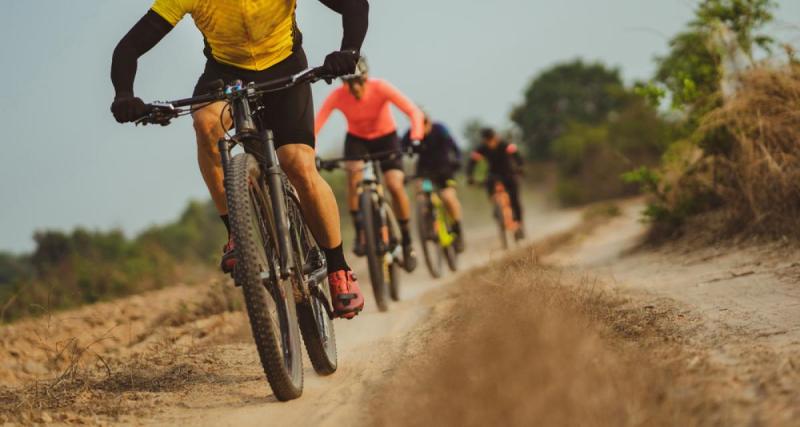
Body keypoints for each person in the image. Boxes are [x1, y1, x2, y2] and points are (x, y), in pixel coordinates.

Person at [109, 0, 369, 319]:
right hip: (225, 73)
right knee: (206, 125)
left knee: (298, 164)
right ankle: (236, 233)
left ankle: (337, 269)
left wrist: (350, 50)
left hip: (284, 65)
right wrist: (123, 93)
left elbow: (354, 5)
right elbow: (130, 46)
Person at [315, 57, 424, 272]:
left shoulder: (381, 87)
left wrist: (416, 138)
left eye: (357, 81)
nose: (354, 87)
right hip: (357, 140)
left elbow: (414, 112)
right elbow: (316, 125)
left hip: (386, 137)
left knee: (394, 184)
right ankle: (360, 232)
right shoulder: (337, 96)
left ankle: (407, 240)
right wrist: (314, 152)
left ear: (365, 78)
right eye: (348, 83)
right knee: (354, 176)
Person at [401, 114, 466, 252]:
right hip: (424, 173)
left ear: (428, 121)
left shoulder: (440, 129)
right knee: (421, 193)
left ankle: (457, 229)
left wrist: (458, 160)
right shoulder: (410, 134)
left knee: (448, 197)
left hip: (444, 170)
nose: (421, 127)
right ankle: (427, 222)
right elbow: (400, 151)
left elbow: (454, 146)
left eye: (424, 122)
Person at [466, 127, 525, 239]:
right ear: (484, 140)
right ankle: (496, 208)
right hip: (492, 175)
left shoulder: (505, 145)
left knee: (515, 200)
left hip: (508, 173)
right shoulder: (482, 149)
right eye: (487, 140)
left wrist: (520, 168)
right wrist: (470, 177)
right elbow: (472, 162)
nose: (490, 142)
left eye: (491, 139)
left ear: (495, 137)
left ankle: (519, 225)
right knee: (490, 187)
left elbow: (516, 155)